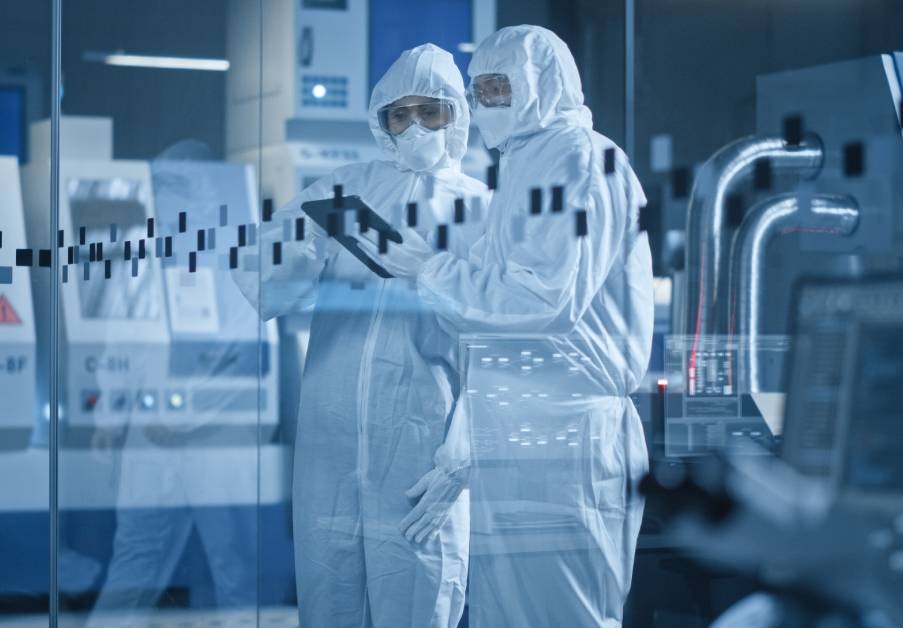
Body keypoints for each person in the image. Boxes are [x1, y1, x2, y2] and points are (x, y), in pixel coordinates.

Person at [355, 25, 654, 628]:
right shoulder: (523, 166)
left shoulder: (581, 157)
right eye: (481, 89)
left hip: (568, 437)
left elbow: (541, 302)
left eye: (501, 87)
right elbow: (496, 318)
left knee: (566, 615)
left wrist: (429, 267)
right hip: (520, 433)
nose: (490, 103)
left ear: (544, 84)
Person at [233, 43, 488, 628]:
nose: (415, 126)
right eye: (400, 114)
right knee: (328, 599)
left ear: (457, 116)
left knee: (419, 599)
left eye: (432, 111)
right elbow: (261, 279)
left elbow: (498, 348)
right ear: (381, 121)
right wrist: (294, 255)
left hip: (422, 446)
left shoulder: (482, 210)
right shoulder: (346, 187)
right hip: (331, 442)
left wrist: (466, 453)